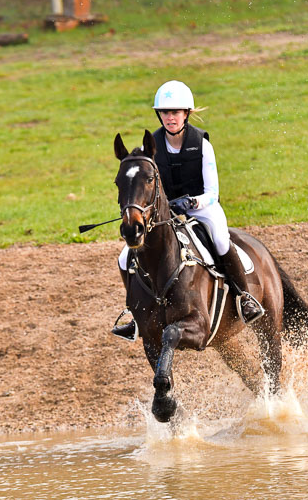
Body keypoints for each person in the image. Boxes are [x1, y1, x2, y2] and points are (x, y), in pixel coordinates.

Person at [112, 80, 264, 340]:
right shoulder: (152, 148)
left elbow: (213, 193)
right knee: (125, 257)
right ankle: (134, 315)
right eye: (165, 113)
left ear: (186, 114)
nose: (170, 117)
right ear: (159, 115)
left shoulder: (201, 144)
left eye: (176, 112)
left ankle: (244, 297)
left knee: (219, 237)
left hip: (202, 207)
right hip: (166, 212)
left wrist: (192, 203)